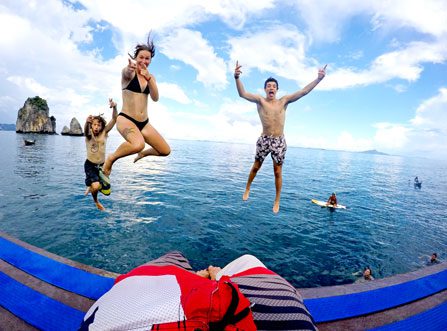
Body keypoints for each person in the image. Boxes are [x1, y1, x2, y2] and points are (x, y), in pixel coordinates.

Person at [80, 252, 317, 331]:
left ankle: (206, 272)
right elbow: (224, 298)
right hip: (182, 295)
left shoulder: (139, 276)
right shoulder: (186, 294)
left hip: (122, 301)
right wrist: (217, 275)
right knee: (248, 260)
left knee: (177, 259)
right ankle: (213, 272)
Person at [235, 61, 326, 213]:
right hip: (264, 139)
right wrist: (237, 77)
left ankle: (277, 199)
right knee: (256, 167)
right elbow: (242, 94)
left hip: (279, 141)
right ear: (265, 89)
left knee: (277, 171)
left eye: (273, 86)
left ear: (277, 89)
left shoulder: (283, 101)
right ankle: (247, 188)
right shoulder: (260, 100)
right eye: (268, 86)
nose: (271, 88)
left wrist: (318, 79)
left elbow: (303, 92)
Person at [102, 34, 170, 177]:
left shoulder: (150, 77)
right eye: (141, 57)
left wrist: (149, 78)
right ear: (136, 57)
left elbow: (155, 98)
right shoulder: (129, 73)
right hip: (126, 119)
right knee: (138, 143)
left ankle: (142, 154)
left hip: (144, 123)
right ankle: (110, 159)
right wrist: (130, 68)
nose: (144, 61)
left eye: (147, 58)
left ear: (150, 60)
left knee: (165, 151)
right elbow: (126, 72)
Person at [84, 98, 118, 211]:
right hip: (90, 164)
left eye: (99, 125)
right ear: (91, 126)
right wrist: (86, 122)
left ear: (101, 126)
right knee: (96, 186)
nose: (96, 127)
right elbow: (86, 130)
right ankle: (96, 201)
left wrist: (114, 107)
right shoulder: (89, 134)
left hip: (102, 164)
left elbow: (114, 119)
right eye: (94, 125)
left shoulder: (104, 133)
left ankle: (90, 183)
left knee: (106, 187)